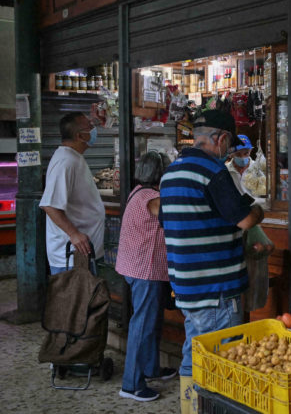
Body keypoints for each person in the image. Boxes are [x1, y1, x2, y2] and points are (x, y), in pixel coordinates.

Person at [159, 110, 264, 414]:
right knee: (221, 357)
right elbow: (244, 220)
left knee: (195, 351)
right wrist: (258, 212)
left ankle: (192, 409)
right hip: (216, 287)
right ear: (221, 139)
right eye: (229, 144)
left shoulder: (172, 173)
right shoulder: (212, 172)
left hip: (188, 286)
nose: (229, 152)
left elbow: (170, 220)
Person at [116, 151, 177, 402]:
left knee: (151, 320)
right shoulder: (153, 198)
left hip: (136, 266)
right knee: (143, 323)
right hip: (146, 269)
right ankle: (131, 384)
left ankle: (151, 369)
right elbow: (171, 212)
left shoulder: (136, 192)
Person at [40, 112, 105, 273]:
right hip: (71, 257)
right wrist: (74, 234)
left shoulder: (73, 158)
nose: (93, 129)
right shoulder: (65, 162)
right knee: (75, 297)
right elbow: (50, 205)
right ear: (80, 136)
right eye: (89, 126)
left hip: (83, 254)